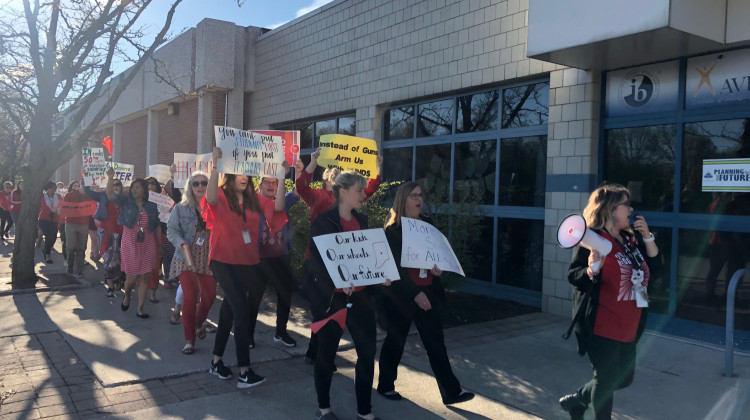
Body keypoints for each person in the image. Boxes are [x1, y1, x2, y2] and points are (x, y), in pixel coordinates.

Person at [559, 183, 659, 420]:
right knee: (605, 381)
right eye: (626, 204)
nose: (631, 209)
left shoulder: (630, 238)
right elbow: (574, 274)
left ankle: (577, 400)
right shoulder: (593, 238)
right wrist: (592, 271)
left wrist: (648, 237)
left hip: (631, 323)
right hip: (602, 324)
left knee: (623, 379)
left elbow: (655, 267)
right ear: (612, 208)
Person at [376, 182, 475, 405]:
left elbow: (434, 255)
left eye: (421, 195)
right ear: (403, 200)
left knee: (436, 344)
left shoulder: (428, 224)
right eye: (414, 195)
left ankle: (451, 392)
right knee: (395, 341)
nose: (419, 199)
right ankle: (385, 385)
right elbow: (395, 270)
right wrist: (414, 293)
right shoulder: (393, 231)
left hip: (428, 292)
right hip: (402, 296)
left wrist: (436, 269)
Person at [303, 170, 388, 420]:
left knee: (367, 353)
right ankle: (324, 409)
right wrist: (338, 281)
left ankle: (364, 411)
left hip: (361, 299)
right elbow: (316, 263)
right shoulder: (323, 222)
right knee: (326, 354)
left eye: (363, 189)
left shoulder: (362, 219)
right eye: (359, 190)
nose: (364, 194)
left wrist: (380, 272)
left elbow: (367, 256)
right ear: (342, 192)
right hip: (331, 300)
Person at [203, 147, 286, 389]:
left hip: (247, 263)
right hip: (222, 261)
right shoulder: (220, 194)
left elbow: (278, 207)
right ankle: (244, 371)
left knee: (229, 310)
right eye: (240, 173)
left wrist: (281, 177)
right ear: (230, 175)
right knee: (241, 310)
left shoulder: (254, 199)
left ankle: (216, 361)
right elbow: (209, 199)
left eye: (247, 174)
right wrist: (215, 164)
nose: (245, 177)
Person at [296, 150, 383, 364]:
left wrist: (377, 168)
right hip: (319, 263)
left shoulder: (355, 209)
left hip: (347, 263)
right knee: (324, 310)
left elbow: (369, 189)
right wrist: (312, 163)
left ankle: (321, 353)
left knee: (338, 311)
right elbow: (301, 188)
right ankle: (317, 353)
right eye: (332, 176)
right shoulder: (318, 197)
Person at [247, 165, 300, 348]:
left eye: (274, 182)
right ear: (259, 185)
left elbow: (298, 192)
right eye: (267, 182)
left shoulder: (283, 202)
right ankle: (248, 335)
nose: (271, 185)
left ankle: (281, 332)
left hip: (280, 258)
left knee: (285, 295)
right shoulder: (252, 203)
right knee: (254, 297)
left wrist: (300, 170)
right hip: (258, 259)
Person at [167, 171, 216, 355]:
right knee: (190, 296)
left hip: (208, 257)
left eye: (204, 183)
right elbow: (171, 230)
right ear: (190, 186)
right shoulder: (181, 208)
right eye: (196, 184)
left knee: (210, 296)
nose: (200, 187)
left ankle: (198, 322)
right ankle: (189, 339)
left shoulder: (215, 206)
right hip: (185, 256)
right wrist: (179, 242)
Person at [105, 168, 162, 319]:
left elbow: (156, 224)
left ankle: (140, 309)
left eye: (137, 187)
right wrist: (110, 177)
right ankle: (128, 295)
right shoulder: (125, 201)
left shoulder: (152, 206)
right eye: (133, 187)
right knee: (131, 280)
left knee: (144, 278)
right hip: (130, 244)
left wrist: (160, 244)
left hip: (147, 244)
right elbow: (110, 195)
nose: (134, 189)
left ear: (144, 190)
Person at [84, 178, 124, 297]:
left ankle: (118, 280)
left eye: (117, 185)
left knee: (121, 262)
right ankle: (110, 287)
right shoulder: (104, 197)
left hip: (124, 236)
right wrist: (84, 177)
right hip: (108, 234)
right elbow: (89, 193)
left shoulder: (127, 199)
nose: (115, 187)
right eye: (112, 185)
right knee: (108, 261)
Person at [63, 180, 93, 278]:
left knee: (81, 247)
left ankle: (79, 270)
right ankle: (69, 266)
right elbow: (64, 207)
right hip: (71, 223)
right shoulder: (69, 195)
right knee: (71, 247)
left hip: (83, 224)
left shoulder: (88, 195)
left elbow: (92, 207)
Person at [37, 182, 60, 264]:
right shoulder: (42, 196)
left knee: (53, 237)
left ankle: (46, 249)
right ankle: (47, 255)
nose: (54, 190)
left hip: (55, 219)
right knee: (48, 235)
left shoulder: (58, 196)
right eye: (52, 188)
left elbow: (62, 205)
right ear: (47, 188)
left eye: (55, 188)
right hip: (44, 218)